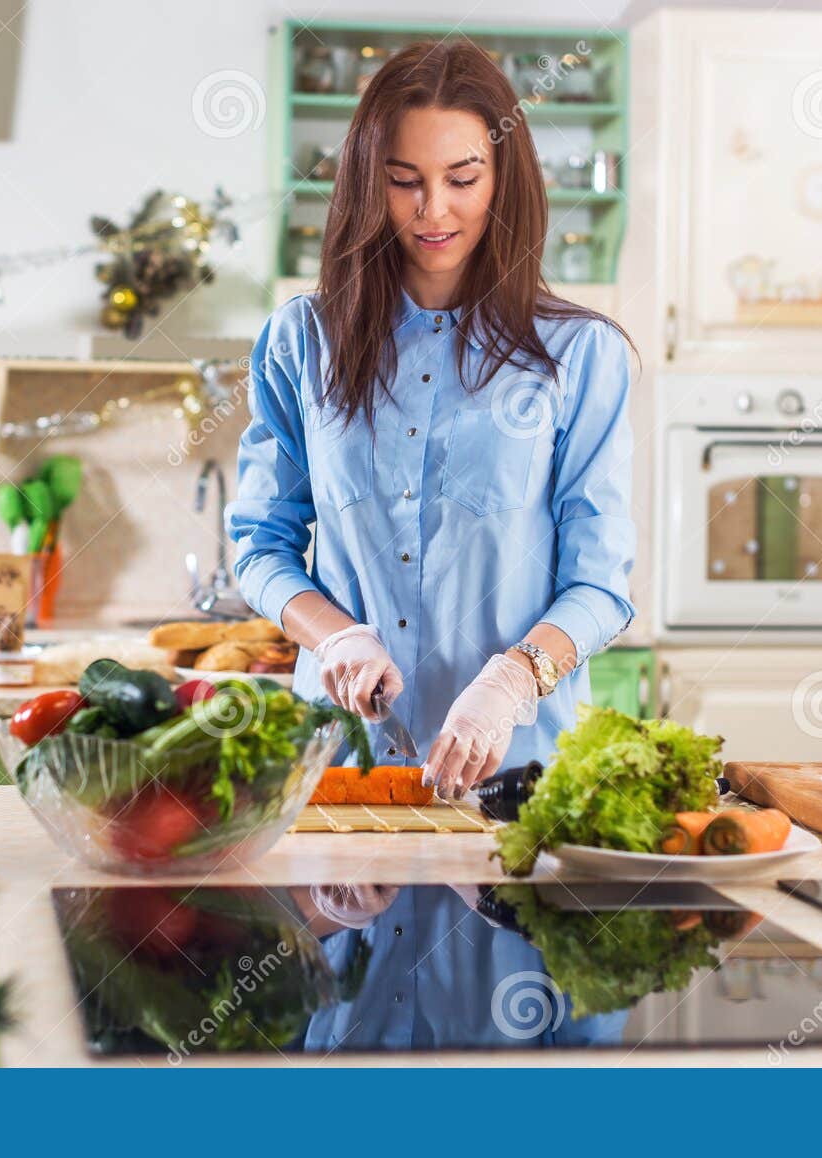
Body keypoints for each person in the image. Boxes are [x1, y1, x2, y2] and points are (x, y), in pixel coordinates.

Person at [227, 39, 637, 798]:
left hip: (516, 778)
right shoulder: (302, 341)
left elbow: (601, 584)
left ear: (504, 179)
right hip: (339, 771)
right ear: (365, 184)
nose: (433, 210)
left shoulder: (581, 355)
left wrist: (516, 677)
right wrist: (336, 637)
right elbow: (259, 545)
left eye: (462, 178)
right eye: (404, 181)